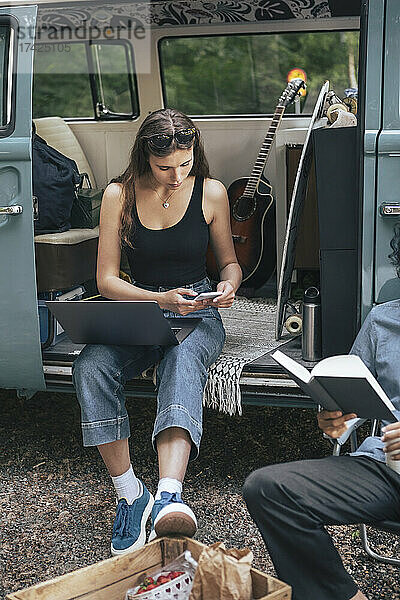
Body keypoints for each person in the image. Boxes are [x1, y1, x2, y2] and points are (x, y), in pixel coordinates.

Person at [73, 108, 242, 556]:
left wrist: (228, 286)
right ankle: (130, 494)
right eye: (165, 167)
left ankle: (170, 495)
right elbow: (107, 280)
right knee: (90, 366)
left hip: (198, 310)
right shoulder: (118, 194)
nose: (176, 175)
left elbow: (229, 262)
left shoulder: (211, 192)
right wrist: (159, 299)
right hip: (141, 306)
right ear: (145, 155)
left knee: (183, 359)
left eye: (184, 164)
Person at [243, 280, 400, 596]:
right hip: (387, 468)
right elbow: (353, 392)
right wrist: (333, 416)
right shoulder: (383, 321)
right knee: (269, 490)